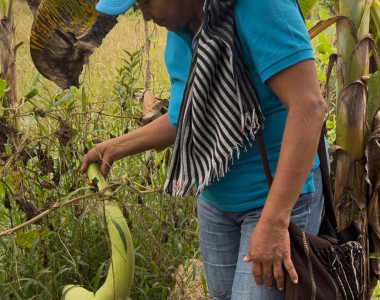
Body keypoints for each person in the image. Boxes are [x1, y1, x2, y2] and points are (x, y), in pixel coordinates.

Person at [81, 0, 327, 298]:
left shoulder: (259, 6)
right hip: (215, 202)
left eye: (145, 2)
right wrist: (114, 147)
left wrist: (275, 220)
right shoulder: (181, 29)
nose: (145, 15)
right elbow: (185, 119)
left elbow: (308, 107)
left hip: (274, 199)